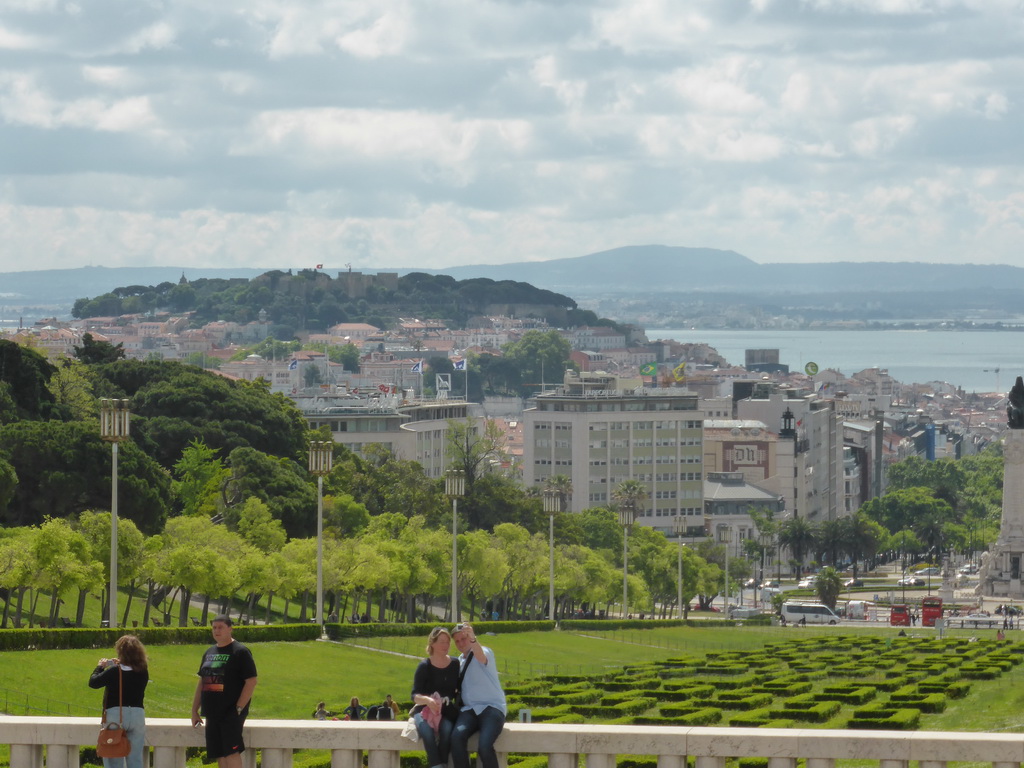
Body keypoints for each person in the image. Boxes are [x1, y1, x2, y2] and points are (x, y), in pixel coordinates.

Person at [191, 615, 258, 768]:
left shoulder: (240, 652)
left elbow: (251, 681)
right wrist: (194, 710)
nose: (217, 631)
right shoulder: (209, 652)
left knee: (231, 752)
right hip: (212, 713)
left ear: (230, 628)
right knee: (219, 753)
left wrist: (238, 709)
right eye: (214, 627)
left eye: (220, 627)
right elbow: (202, 681)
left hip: (231, 712)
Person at [88, 634, 149, 768]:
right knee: (135, 757)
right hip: (137, 715)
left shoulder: (114, 671)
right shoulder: (143, 671)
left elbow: (93, 682)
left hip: (116, 714)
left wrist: (100, 667)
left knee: (113, 755)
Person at [450, 623, 506, 768]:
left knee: (484, 746)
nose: (461, 643)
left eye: (464, 639)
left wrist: (474, 640)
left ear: (470, 637)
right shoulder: (459, 661)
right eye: (457, 641)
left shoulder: (485, 651)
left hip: (491, 708)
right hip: (469, 710)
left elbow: (480, 656)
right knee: (456, 738)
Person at [411, 627, 461, 768]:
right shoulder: (424, 666)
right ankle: (437, 765)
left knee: (446, 729)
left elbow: (459, 689)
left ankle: (442, 763)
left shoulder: (455, 664)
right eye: (442, 642)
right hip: (424, 710)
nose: (446, 646)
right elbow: (414, 695)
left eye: (447, 642)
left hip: (446, 710)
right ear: (432, 643)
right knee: (426, 731)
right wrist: (427, 700)